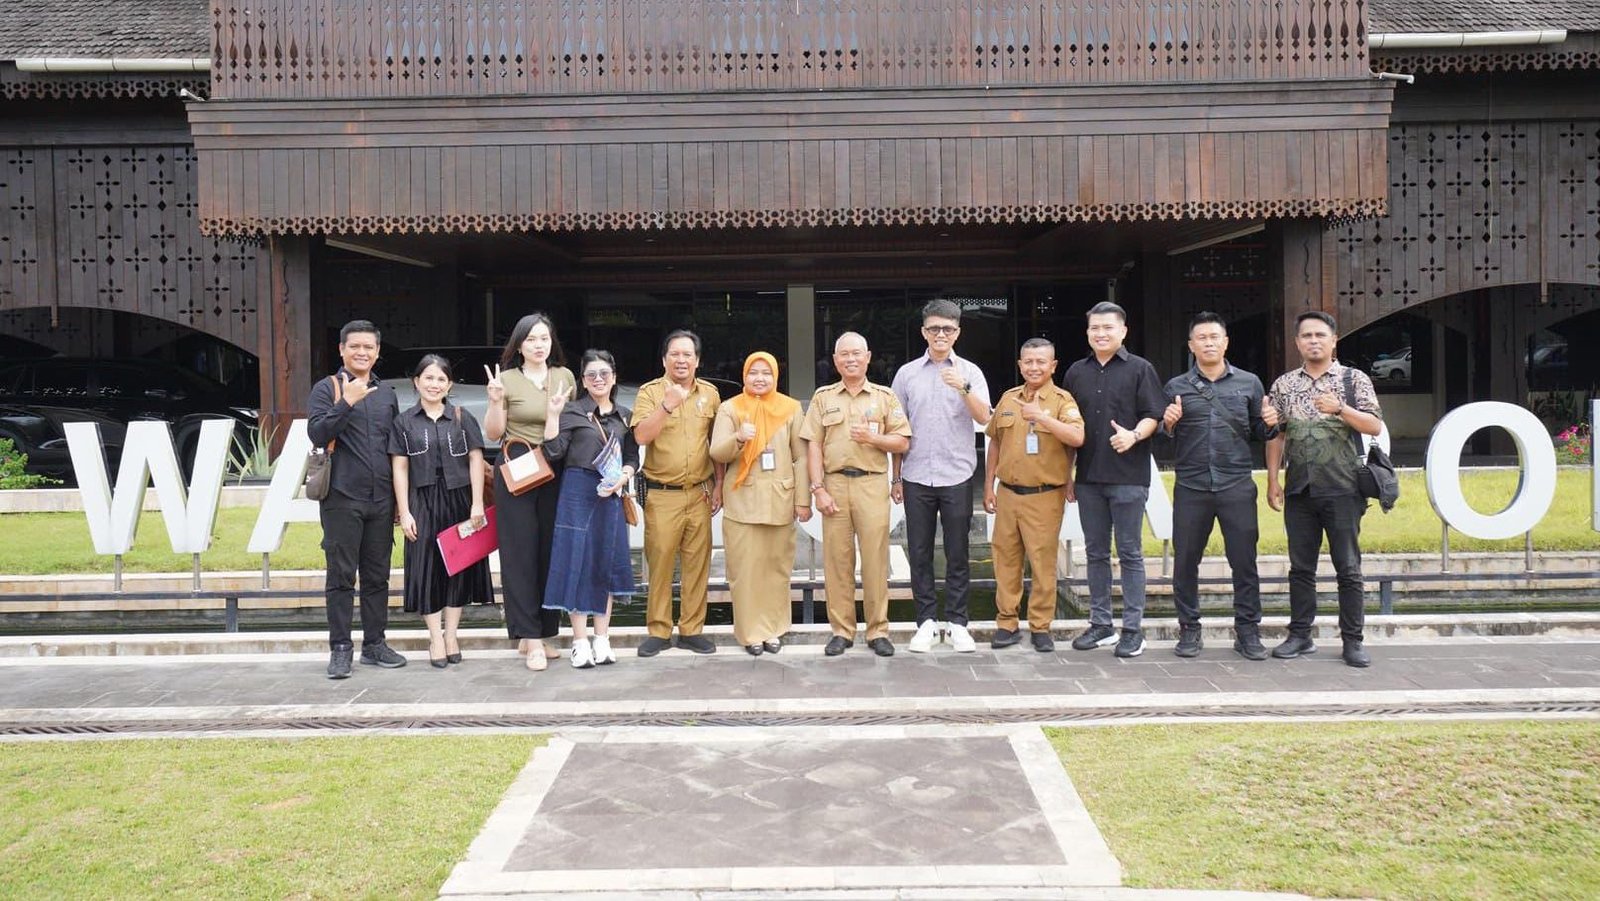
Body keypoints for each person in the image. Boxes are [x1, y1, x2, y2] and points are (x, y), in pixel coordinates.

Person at [1263, 311, 1384, 668]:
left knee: (1348, 567)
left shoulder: (1353, 379)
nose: (1313, 341)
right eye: (1306, 336)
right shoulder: (1284, 384)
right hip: (1299, 489)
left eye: (1320, 335)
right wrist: (1273, 479)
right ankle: (1300, 635)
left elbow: (1375, 426)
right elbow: (1277, 433)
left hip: (1343, 487)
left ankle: (1353, 640)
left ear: (1334, 340)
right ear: (1297, 343)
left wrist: (1341, 408)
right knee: (1301, 567)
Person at [1160, 312, 1276, 661]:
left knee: (1244, 561)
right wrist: (1168, 425)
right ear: (1191, 345)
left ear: (1226, 342)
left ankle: (1248, 632)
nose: (1209, 343)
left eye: (1215, 337)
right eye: (1202, 337)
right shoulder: (1176, 386)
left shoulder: (1249, 383)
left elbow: (1260, 432)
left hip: (1236, 483)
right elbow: (1167, 441)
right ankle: (1189, 630)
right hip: (1192, 486)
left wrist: (1270, 424)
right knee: (1185, 562)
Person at [1062, 301, 1166, 659]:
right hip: (1089, 476)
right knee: (1095, 553)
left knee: (1130, 553)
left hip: (1128, 477)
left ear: (1123, 331)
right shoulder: (1076, 372)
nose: (1101, 334)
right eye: (1095, 328)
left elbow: (1154, 414)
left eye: (1108, 328)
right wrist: (1068, 474)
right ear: (1087, 333)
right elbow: (1069, 426)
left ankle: (1133, 630)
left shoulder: (1140, 369)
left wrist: (1134, 436)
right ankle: (1101, 624)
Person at [802, 332, 912, 658]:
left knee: (876, 560)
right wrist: (817, 488)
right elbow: (813, 446)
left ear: (868, 357)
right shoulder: (823, 397)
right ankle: (842, 631)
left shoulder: (884, 397)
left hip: (871, 484)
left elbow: (902, 442)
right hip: (834, 485)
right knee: (837, 561)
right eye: (844, 355)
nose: (850, 359)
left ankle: (878, 630)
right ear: (835, 361)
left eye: (856, 354)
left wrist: (873, 440)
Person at [891, 299, 992, 653]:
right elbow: (897, 429)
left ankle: (958, 622)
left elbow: (985, 420)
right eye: (934, 329)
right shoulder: (906, 374)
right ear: (924, 331)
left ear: (957, 332)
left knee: (957, 551)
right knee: (918, 551)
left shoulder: (971, 372)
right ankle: (926, 623)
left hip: (956, 475)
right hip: (916, 474)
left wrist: (962, 388)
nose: (940, 335)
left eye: (947, 329)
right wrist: (896, 477)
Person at [307, 319, 404, 679]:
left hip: (380, 499)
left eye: (369, 347)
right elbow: (317, 432)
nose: (362, 352)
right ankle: (341, 648)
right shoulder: (326, 388)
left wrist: (398, 501)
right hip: (341, 498)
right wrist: (346, 402)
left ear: (377, 352)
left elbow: (396, 449)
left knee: (378, 576)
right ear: (342, 350)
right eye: (355, 347)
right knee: (341, 576)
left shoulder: (387, 394)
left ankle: (375, 644)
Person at [484, 313, 576, 672]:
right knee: (520, 554)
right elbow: (494, 434)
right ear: (519, 344)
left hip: (556, 466)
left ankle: (542, 631)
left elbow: (574, 422)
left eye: (545, 338)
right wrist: (494, 402)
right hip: (519, 467)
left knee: (550, 552)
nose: (540, 345)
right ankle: (530, 638)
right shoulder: (506, 380)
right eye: (532, 339)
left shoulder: (564, 377)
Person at [389, 355, 493, 668]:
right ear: (417, 382)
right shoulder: (404, 422)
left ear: (449, 384)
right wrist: (404, 512)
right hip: (421, 501)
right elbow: (400, 467)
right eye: (428, 378)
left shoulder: (462, 418)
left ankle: (452, 635)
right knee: (425, 568)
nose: (434, 385)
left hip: (459, 500)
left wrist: (477, 503)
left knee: (457, 568)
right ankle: (435, 637)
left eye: (441, 379)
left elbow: (476, 460)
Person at [984, 338, 1084, 651]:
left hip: (1045, 494)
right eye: (1028, 362)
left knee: (1042, 563)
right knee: (1005, 560)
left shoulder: (1062, 401)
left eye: (1041, 362)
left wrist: (1042, 417)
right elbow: (995, 442)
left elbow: (1076, 438)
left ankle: (1040, 626)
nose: (1034, 367)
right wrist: (989, 484)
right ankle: (1007, 623)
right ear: (1020, 365)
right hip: (1009, 493)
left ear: (1053, 366)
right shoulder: (1009, 398)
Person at [630, 329, 725, 657]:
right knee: (660, 563)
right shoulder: (649, 393)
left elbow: (717, 446)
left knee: (697, 564)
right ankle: (658, 630)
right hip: (662, 494)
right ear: (664, 360)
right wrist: (667, 407)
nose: (681, 360)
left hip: (699, 491)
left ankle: (691, 629)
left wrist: (720, 486)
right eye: (675, 354)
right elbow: (641, 436)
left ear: (697, 361)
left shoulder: (710, 395)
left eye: (688, 355)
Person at [541, 349, 638, 669]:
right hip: (577, 490)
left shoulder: (624, 415)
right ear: (583, 380)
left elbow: (631, 456)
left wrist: (624, 476)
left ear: (614, 377)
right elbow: (553, 451)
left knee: (605, 562)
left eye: (604, 374)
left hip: (610, 492)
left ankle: (602, 639)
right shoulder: (572, 411)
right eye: (591, 375)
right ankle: (579, 641)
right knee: (576, 561)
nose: (598, 380)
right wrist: (553, 415)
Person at [710, 352, 811, 656]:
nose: (759, 378)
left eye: (766, 373)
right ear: (744, 375)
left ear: (776, 376)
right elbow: (717, 452)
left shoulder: (791, 408)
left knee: (776, 569)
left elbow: (801, 456)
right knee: (744, 570)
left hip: (780, 500)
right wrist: (739, 438)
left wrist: (803, 500)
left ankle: (774, 629)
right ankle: (751, 632)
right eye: (753, 372)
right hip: (742, 502)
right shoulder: (730, 409)